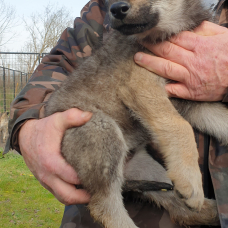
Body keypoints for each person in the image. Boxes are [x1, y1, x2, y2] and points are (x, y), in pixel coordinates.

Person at [4, 0, 228, 227]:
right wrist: (28, 128)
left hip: (136, 150)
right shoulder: (119, 19)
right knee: (102, 133)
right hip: (94, 128)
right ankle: (111, 211)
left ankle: (181, 207)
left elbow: (191, 106)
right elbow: (59, 63)